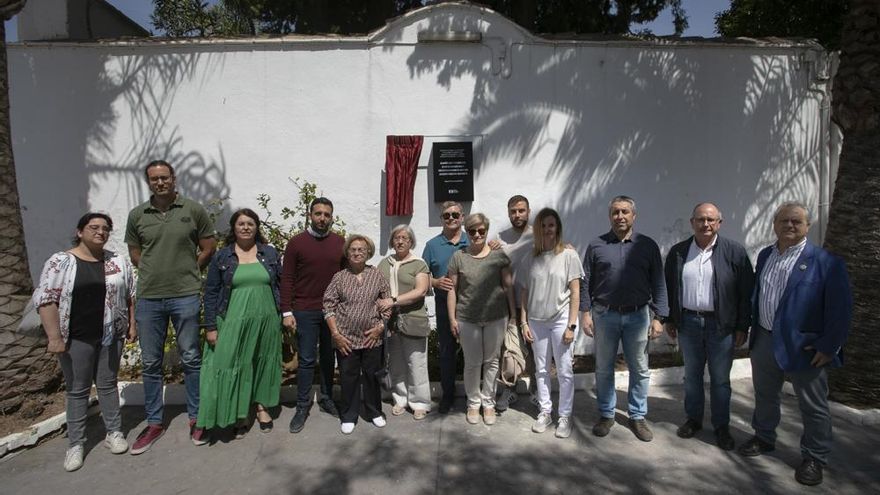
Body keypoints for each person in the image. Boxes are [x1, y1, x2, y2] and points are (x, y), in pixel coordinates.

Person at [738, 202, 852, 486]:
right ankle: (764, 437)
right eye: (784, 221)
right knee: (765, 395)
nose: (790, 226)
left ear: (807, 226)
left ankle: (814, 456)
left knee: (813, 405)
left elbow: (841, 309)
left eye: (796, 221)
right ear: (774, 224)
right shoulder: (765, 255)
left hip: (806, 347)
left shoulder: (826, 262)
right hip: (764, 339)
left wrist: (829, 346)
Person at [34, 212, 137, 471]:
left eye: (105, 228)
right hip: (75, 337)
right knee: (78, 389)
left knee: (107, 384)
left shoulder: (117, 262)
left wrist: (132, 325)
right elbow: (46, 299)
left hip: (111, 335)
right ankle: (76, 443)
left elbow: (130, 295)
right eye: (94, 227)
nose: (100, 232)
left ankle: (114, 432)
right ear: (80, 231)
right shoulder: (61, 262)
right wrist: (54, 338)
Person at [125, 160, 216, 454]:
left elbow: (208, 247)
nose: (160, 183)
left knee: (191, 358)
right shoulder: (138, 215)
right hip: (150, 297)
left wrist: (189, 269)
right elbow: (136, 253)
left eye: (165, 177)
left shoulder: (193, 210)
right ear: (148, 182)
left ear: (174, 179)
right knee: (151, 362)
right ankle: (154, 422)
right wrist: (154, 273)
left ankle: (196, 416)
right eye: (155, 179)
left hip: (185, 294)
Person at [664, 202, 754, 451]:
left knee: (720, 380)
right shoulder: (679, 252)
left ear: (719, 223)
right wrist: (670, 318)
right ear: (692, 222)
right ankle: (693, 420)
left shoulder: (734, 252)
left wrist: (741, 327)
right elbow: (670, 287)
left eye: (711, 220)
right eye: (701, 219)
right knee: (692, 377)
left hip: (721, 326)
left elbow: (746, 293)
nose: (706, 224)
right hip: (689, 323)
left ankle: (721, 426)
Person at [579, 195, 668, 442]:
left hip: (638, 316)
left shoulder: (647, 246)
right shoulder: (597, 245)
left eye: (625, 212)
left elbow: (658, 283)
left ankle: (637, 416)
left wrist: (660, 316)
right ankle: (607, 414)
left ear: (634, 216)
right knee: (603, 367)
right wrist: (585, 313)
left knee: (639, 368)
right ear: (610, 216)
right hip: (604, 315)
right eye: (616, 212)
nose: (620, 216)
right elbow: (586, 282)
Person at [198, 209, 282, 437]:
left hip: (266, 317)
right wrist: (211, 327)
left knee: (263, 360)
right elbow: (212, 292)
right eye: (241, 224)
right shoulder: (223, 257)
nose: (246, 227)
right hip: (233, 318)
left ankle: (262, 406)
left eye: (250, 224)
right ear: (234, 228)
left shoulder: (270, 254)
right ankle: (241, 411)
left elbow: (280, 285)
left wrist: (284, 314)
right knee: (235, 363)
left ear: (257, 228)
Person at [280, 197, 344, 433]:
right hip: (305, 310)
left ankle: (326, 399)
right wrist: (287, 311)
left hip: (332, 311)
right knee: (306, 360)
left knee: (329, 357)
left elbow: (346, 276)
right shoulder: (296, 243)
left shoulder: (340, 243)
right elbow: (286, 278)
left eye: (327, 214)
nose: (322, 218)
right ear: (310, 215)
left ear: (332, 217)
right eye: (318, 213)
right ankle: (301, 406)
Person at [519, 208, 583, 438]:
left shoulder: (568, 255)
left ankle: (564, 416)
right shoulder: (530, 257)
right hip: (536, 322)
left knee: (564, 370)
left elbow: (576, 292)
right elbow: (525, 292)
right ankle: (545, 411)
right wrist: (524, 322)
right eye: (543, 226)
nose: (547, 229)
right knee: (542, 370)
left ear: (557, 228)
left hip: (560, 320)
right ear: (538, 229)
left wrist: (571, 325)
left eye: (551, 225)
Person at [447, 213, 516, 426]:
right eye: (473, 231)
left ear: (486, 231)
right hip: (468, 318)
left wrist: (513, 315)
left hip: (496, 317)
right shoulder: (459, 257)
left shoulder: (498, 255)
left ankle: (488, 403)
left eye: (481, 231)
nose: (477, 234)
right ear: (467, 232)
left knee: (492, 362)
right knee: (472, 363)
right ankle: (473, 403)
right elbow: (452, 290)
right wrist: (452, 319)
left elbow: (507, 287)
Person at [323, 235, 392, 434]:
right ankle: (349, 415)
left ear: (368, 253)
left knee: (371, 376)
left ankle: (374, 411)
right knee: (348, 377)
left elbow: (387, 303)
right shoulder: (339, 277)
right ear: (347, 252)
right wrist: (335, 334)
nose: (357, 252)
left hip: (372, 337)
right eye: (353, 249)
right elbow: (328, 305)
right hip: (346, 339)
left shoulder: (377, 274)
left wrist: (380, 326)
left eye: (361, 249)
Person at [377, 225, 432, 420]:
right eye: (396, 238)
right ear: (392, 242)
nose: (400, 241)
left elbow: (421, 291)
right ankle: (400, 398)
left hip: (413, 319)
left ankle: (419, 402)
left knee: (416, 363)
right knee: (396, 363)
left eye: (404, 238)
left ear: (411, 242)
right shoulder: (385, 263)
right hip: (391, 322)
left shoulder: (419, 264)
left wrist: (392, 301)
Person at [422, 201, 469, 413]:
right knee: (447, 351)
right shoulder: (432, 246)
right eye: (447, 215)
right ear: (441, 219)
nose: (451, 218)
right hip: (443, 305)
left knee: (473, 352)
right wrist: (435, 282)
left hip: (471, 304)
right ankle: (447, 395)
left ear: (463, 217)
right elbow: (421, 277)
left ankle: (473, 396)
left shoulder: (474, 239)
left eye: (455, 215)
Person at [491, 195, 535, 411]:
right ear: (508, 213)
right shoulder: (500, 238)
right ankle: (509, 391)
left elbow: (557, 250)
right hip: (507, 304)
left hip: (534, 304)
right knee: (508, 350)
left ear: (528, 211)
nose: (517, 215)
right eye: (513, 211)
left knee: (536, 351)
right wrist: (491, 248)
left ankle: (537, 392)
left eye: (521, 210)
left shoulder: (539, 235)